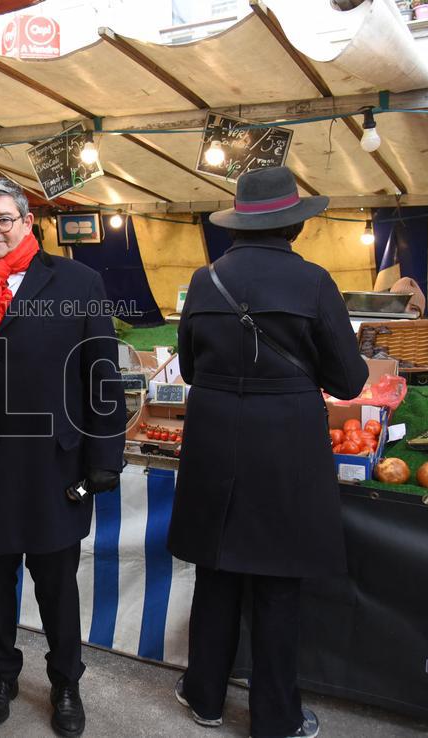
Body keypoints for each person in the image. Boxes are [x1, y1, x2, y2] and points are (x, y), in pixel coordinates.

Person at [167, 166, 368, 738]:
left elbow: (186, 368)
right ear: (293, 227)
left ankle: (203, 695)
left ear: (238, 225)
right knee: (278, 583)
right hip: (284, 446)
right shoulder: (314, 283)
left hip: (213, 441)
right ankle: (275, 717)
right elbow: (351, 381)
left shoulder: (205, 281)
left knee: (218, 569)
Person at [0, 178, 126, 737]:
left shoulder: (78, 283)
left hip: (51, 468)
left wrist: (103, 454)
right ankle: (1, 674)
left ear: (26, 221)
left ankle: (66, 681)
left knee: (57, 586)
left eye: (2, 220)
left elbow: (101, 375)